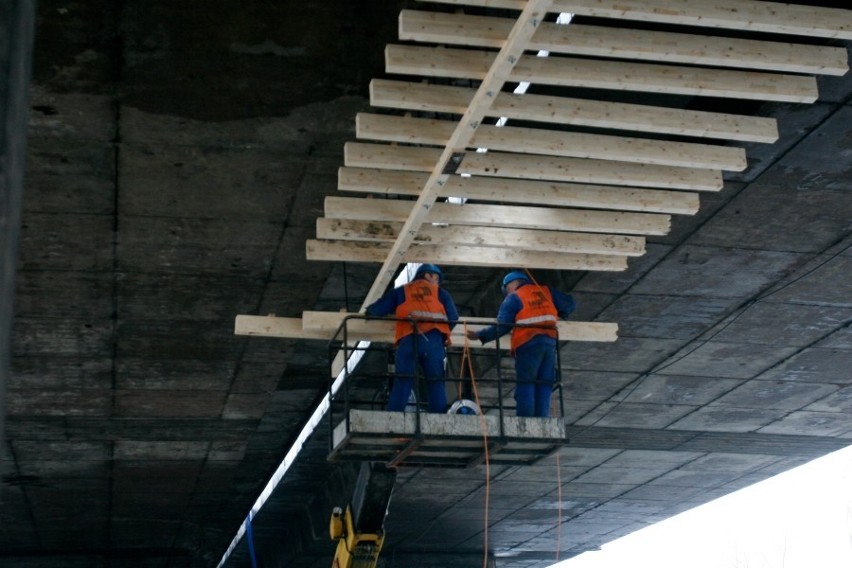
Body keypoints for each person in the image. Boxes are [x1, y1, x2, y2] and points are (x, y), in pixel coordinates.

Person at [466, 270, 576, 418]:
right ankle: (542, 420)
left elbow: (503, 325)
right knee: (544, 384)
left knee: (526, 383)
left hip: (528, 343)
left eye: (507, 288)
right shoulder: (545, 291)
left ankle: (526, 420)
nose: (506, 293)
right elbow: (569, 304)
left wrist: (480, 335)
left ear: (514, 283)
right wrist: (559, 313)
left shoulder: (514, 298)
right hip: (549, 343)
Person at [365, 264, 459, 413]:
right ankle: (438, 419)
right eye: (437, 278)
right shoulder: (441, 294)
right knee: (435, 382)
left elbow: (379, 308)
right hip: (433, 342)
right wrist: (441, 334)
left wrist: (369, 312)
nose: (437, 282)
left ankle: (394, 416)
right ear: (428, 275)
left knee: (403, 380)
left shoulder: (403, 291)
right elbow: (453, 318)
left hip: (408, 339)